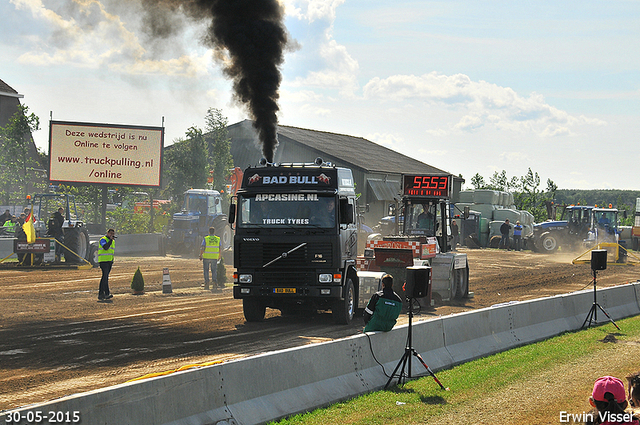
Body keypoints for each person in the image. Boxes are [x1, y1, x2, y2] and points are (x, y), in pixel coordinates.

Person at [98, 229, 116, 301]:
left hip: (109, 261)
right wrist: (110, 240)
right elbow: (105, 247)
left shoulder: (113, 241)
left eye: (113, 234)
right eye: (110, 233)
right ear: (107, 233)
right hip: (103, 261)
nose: (112, 235)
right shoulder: (103, 240)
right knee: (105, 277)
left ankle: (101, 294)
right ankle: (106, 293)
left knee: (104, 278)